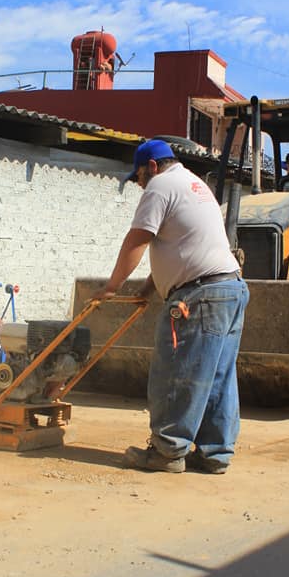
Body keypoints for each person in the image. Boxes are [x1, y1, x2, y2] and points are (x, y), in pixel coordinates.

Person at [98, 139, 249, 474]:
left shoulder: (160, 186)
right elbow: (184, 246)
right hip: (229, 289)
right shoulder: (195, 184)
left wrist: (111, 288)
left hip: (200, 296)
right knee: (217, 376)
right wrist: (149, 287)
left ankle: (167, 451)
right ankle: (215, 454)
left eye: (137, 176)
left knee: (176, 371)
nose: (138, 183)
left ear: (151, 166)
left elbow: (138, 239)